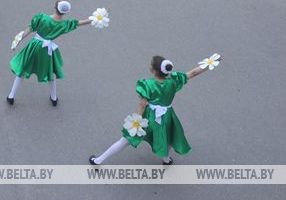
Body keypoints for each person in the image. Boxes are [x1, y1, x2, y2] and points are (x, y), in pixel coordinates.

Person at [90, 54, 220, 166]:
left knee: (126, 140)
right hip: (167, 117)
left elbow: (142, 104)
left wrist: (136, 122)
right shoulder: (173, 81)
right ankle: (166, 159)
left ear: (153, 70)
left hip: (149, 117)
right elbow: (193, 73)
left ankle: (98, 160)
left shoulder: (147, 84)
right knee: (169, 136)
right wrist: (210, 63)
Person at [7, 0, 102, 106]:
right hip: (47, 51)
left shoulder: (42, 17)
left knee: (22, 70)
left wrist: (17, 40)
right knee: (50, 72)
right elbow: (78, 23)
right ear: (66, 12)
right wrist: (94, 19)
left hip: (34, 47)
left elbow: (29, 29)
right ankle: (54, 98)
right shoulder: (64, 24)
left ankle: (11, 96)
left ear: (54, 7)